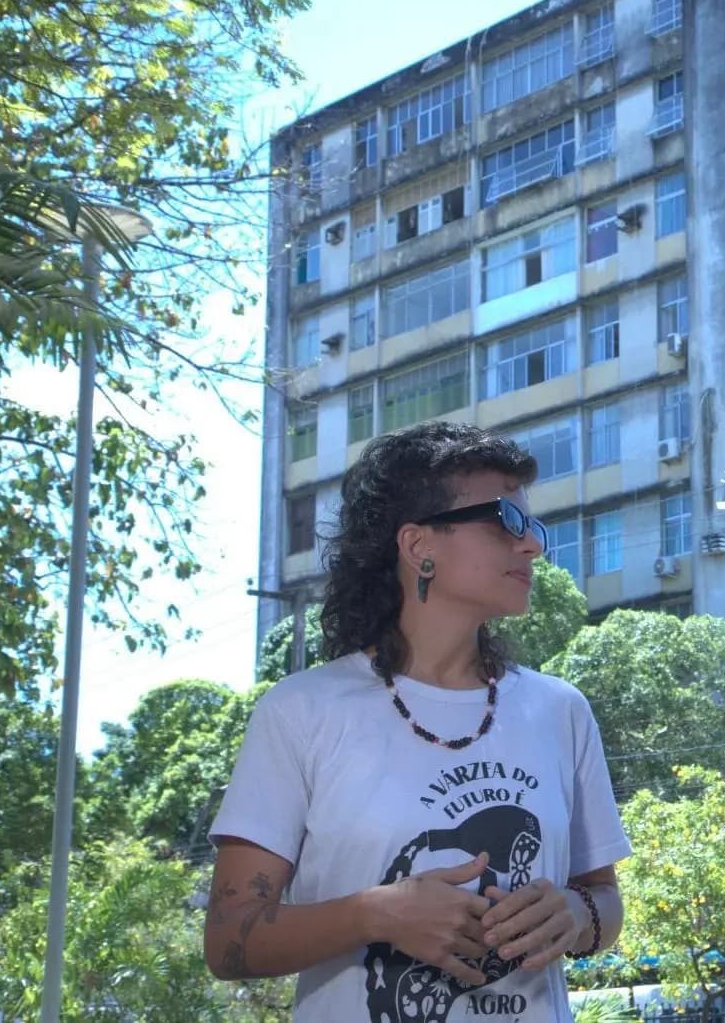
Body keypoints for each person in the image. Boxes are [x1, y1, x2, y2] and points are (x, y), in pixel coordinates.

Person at [204, 421, 630, 1023]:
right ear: (418, 545)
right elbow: (229, 938)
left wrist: (573, 915)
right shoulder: (301, 711)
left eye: (533, 527)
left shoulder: (560, 711)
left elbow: (604, 902)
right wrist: (377, 913)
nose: (532, 545)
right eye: (506, 520)